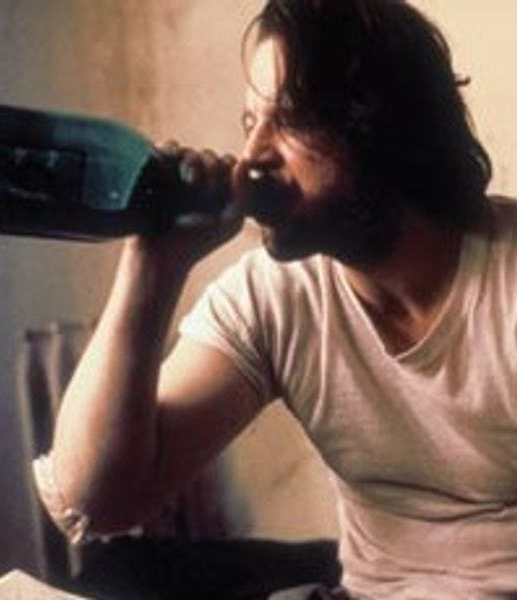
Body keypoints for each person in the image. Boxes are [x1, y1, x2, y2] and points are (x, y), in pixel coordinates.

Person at [33, 0, 517, 597]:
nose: (251, 157)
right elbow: (95, 503)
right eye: (250, 121)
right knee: (120, 573)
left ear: (383, 130)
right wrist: (151, 268)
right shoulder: (276, 294)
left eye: (289, 122)